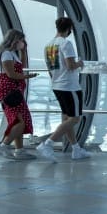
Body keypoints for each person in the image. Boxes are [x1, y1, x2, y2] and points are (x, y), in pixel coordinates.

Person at [37, 17, 90, 161]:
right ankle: (48, 143)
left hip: (57, 85)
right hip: (70, 86)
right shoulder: (66, 44)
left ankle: (76, 149)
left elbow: (50, 68)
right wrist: (81, 63)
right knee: (75, 118)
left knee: (67, 118)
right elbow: (71, 65)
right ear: (69, 28)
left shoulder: (48, 46)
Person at [0, 29, 39, 160]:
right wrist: (27, 76)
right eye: (21, 40)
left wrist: (24, 52)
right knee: (21, 121)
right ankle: (3, 145)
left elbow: (21, 65)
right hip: (9, 91)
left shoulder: (12, 53)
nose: (23, 43)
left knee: (19, 120)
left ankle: (19, 150)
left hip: (15, 91)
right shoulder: (6, 54)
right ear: (15, 40)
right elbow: (11, 74)